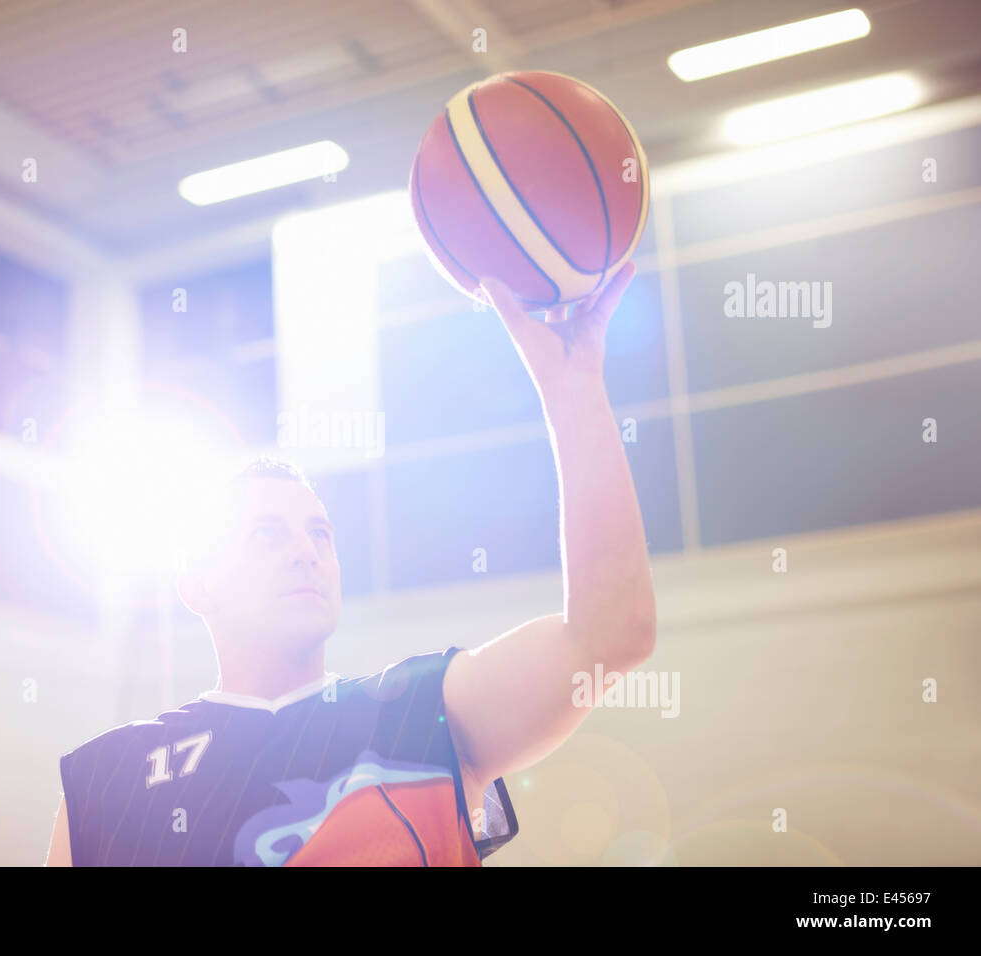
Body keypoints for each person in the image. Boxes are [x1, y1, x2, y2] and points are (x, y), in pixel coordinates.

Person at [46, 261, 654, 865]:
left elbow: (610, 636)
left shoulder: (417, 714)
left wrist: (574, 391)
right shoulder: (106, 778)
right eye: (266, 534)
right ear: (196, 585)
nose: (305, 551)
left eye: (320, 534)